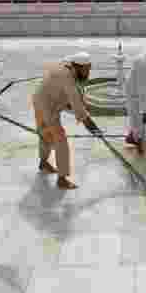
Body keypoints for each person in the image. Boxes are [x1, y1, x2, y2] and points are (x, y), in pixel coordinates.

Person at [31, 52, 100, 190]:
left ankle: (43, 163)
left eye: (89, 69)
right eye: (87, 69)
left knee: (46, 134)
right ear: (78, 66)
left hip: (41, 99)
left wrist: (80, 104)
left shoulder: (68, 67)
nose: (88, 72)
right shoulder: (67, 77)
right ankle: (62, 179)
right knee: (60, 139)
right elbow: (76, 102)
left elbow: (76, 92)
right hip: (47, 106)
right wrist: (92, 127)